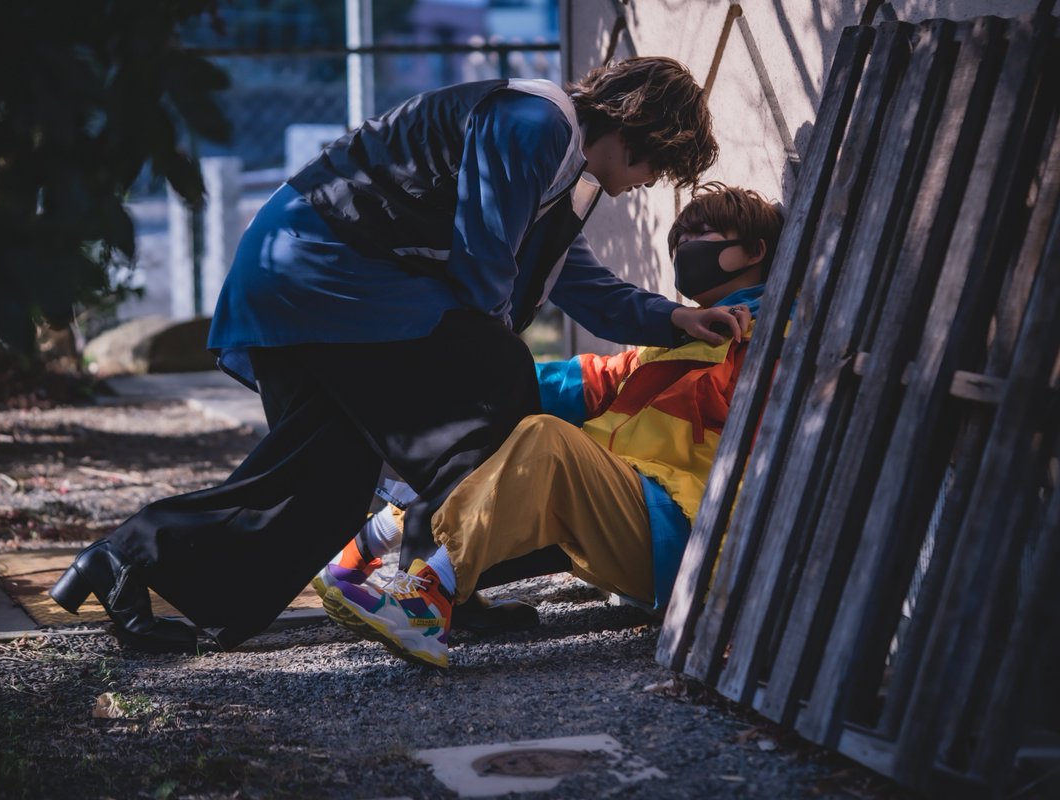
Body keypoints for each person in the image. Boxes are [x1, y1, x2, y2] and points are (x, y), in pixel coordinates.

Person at [49, 57, 737, 653]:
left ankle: (125, 559)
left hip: (306, 278)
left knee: (328, 473)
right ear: (639, 128)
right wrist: (485, 356)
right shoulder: (538, 125)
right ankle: (427, 588)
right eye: (655, 165)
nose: (647, 182)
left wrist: (674, 316)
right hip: (323, 273)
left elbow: (570, 276)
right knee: (494, 386)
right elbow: (482, 269)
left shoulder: (559, 165)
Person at [317, 183, 785, 667]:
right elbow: (583, 379)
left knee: (547, 440)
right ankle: (355, 561)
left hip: (683, 531)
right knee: (492, 436)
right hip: (627, 513)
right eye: (679, 237)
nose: (685, 247)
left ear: (752, 251)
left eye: (702, 233)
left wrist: (751, 321)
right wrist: (461, 390)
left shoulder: (774, 337)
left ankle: (427, 601)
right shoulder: (676, 340)